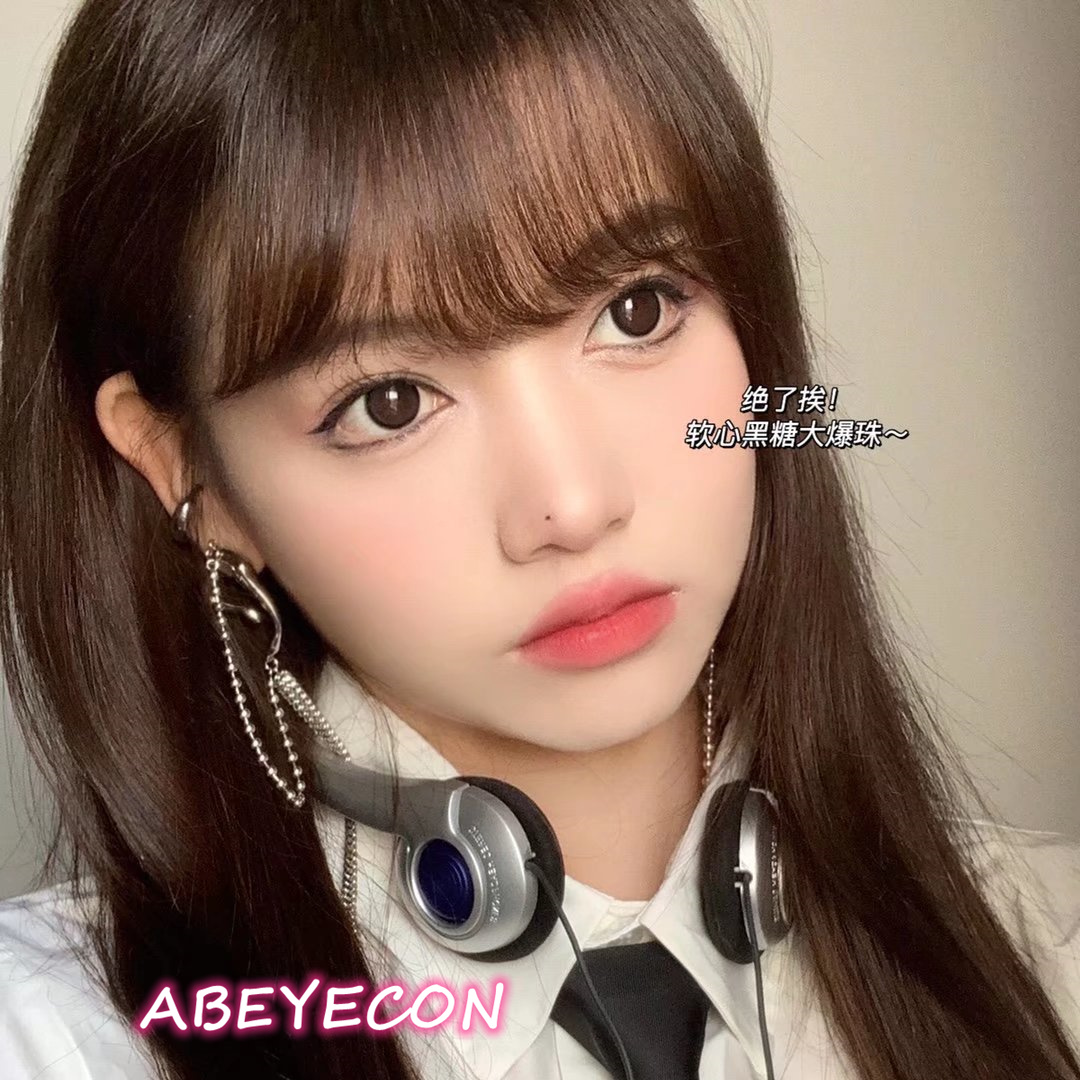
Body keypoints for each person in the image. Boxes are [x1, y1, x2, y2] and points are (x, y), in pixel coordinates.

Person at [0, 0, 1077, 1078]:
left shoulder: (1051, 960)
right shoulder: (52, 1043)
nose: (573, 504)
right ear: (188, 470)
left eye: (638, 311)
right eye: (387, 402)